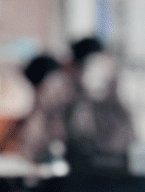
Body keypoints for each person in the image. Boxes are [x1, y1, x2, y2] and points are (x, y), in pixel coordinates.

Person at [14, 36, 135, 173]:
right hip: (97, 174)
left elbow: (33, 142)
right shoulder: (64, 93)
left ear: (71, 63)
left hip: (86, 175)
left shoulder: (62, 91)